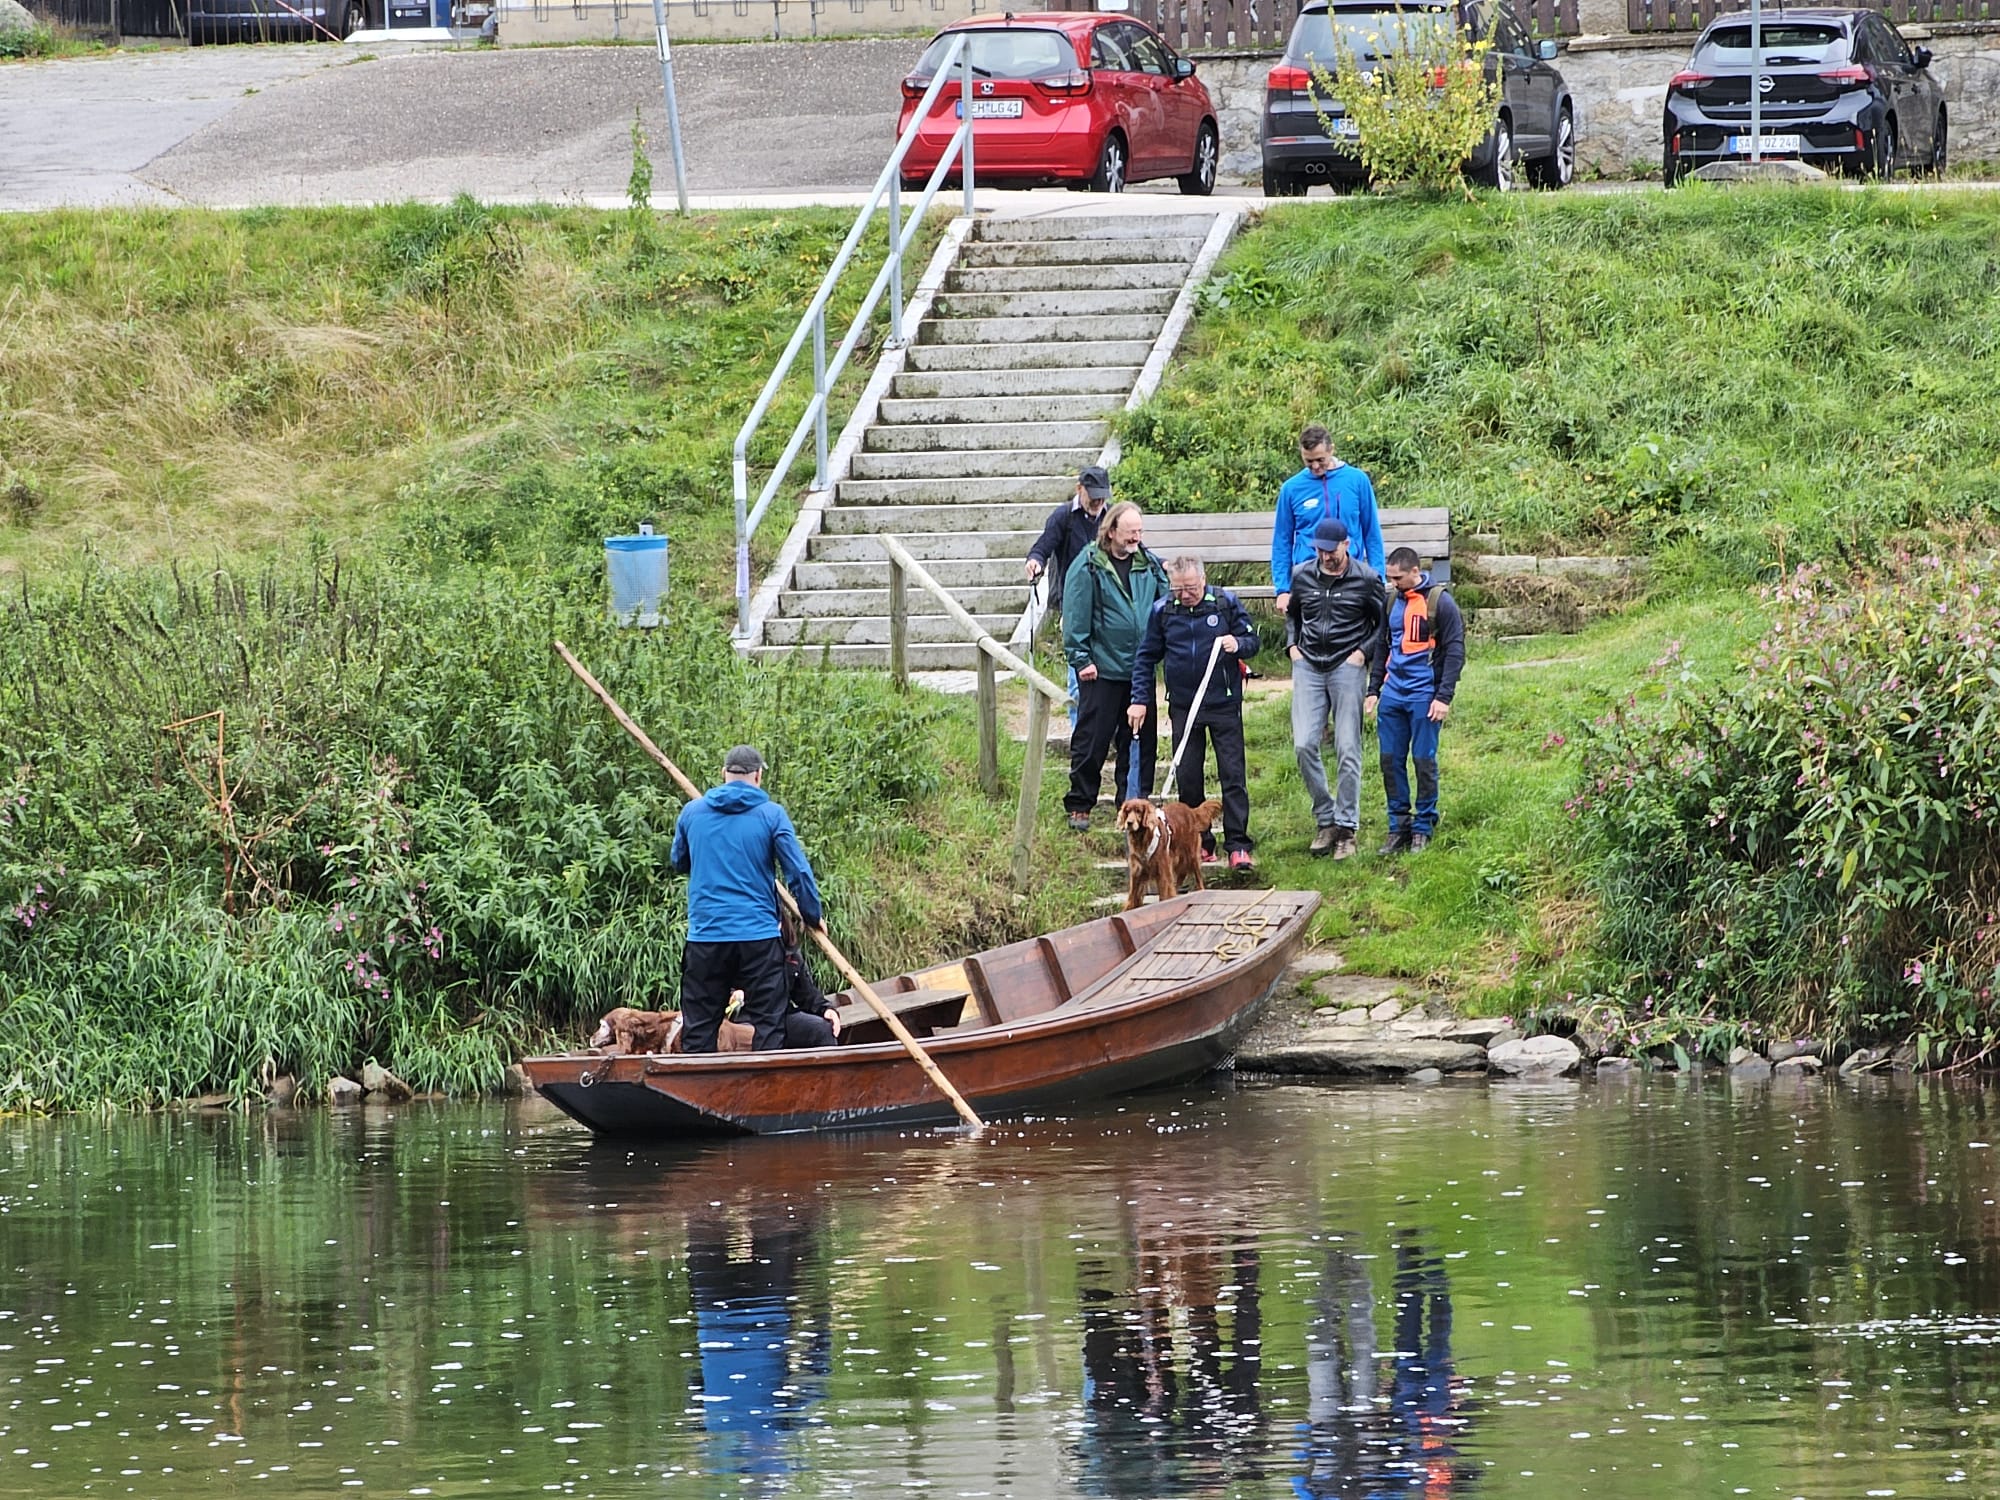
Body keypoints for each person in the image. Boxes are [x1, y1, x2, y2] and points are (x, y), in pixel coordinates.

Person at [669, 744, 825, 1053]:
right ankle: (767, 1081)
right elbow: (798, 872)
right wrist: (811, 915)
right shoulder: (772, 815)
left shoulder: (692, 813)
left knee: (699, 1028)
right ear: (758, 777)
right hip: (759, 941)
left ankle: (697, 1081)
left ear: (723, 773)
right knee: (769, 1025)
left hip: (707, 939)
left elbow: (679, 861)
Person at [1128, 555, 1260, 870]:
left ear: (1203, 580)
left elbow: (1252, 641)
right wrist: (1139, 698)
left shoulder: (1225, 604)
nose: (1185, 595)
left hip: (1223, 703)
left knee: (1232, 774)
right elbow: (1146, 657)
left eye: (1190, 588)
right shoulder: (1163, 611)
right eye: (1178, 589)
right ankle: (1200, 842)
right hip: (1184, 706)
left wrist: (1237, 644)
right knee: (1188, 776)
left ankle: (1238, 845)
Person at [1062, 502, 1170, 833]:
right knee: (1092, 741)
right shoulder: (1088, 565)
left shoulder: (1149, 563)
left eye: (1140, 531)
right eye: (1130, 532)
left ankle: (1135, 806)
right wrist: (1081, 658)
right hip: (1102, 668)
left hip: (1140, 669)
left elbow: (1165, 601)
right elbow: (1075, 613)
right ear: (1111, 532)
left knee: (1141, 742)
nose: (1136, 537)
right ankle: (1080, 803)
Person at [1286, 516, 1387, 861]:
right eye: (1320, 550)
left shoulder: (1367, 579)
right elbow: (1293, 615)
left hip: (1347, 664)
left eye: (1331, 550)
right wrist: (1292, 646)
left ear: (1347, 544)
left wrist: (1362, 653)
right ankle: (1325, 818)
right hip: (1309, 664)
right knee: (1303, 744)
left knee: (1347, 747)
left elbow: (1382, 625)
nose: (1326, 557)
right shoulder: (1302, 575)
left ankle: (1346, 827)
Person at [1366, 547, 1464, 855]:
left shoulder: (1441, 602)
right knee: (1390, 759)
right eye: (1390, 578)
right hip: (1393, 692)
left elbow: (1455, 651)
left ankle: (1423, 825)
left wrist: (1443, 697)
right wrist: (1373, 689)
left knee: (1423, 760)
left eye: (1397, 578)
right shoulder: (1390, 601)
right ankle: (1398, 826)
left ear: (1414, 572)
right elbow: (1382, 646)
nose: (1393, 583)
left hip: (1424, 693)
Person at [1027, 465, 1114, 730]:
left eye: (1102, 497)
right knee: (1079, 672)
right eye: (1093, 496)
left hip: (1108, 604)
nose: (1098, 502)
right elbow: (1043, 546)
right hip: (1073, 604)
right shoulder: (1063, 517)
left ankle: (1106, 729)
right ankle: (1080, 735)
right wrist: (1035, 561)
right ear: (1079, 490)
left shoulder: (1112, 516)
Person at [1272, 424, 1383, 614]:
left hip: (1351, 574)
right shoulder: (1291, 489)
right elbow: (1282, 540)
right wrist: (1282, 589)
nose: (1315, 466)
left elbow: (1371, 532)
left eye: (1320, 460)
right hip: (1308, 577)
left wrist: (1378, 578)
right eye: (1309, 461)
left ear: (1331, 450)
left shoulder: (1357, 480)